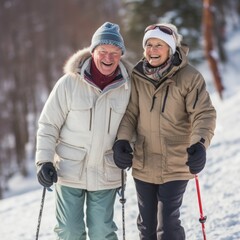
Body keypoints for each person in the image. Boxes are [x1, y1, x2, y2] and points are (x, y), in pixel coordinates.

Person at [112, 23, 216, 240]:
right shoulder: (138, 75)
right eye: (149, 44)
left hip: (176, 162)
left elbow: (203, 114)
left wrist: (199, 144)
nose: (152, 50)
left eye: (159, 45)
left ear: (170, 48)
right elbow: (131, 113)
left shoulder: (189, 77)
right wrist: (122, 140)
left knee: (167, 227)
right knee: (147, 228)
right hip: (144, 162)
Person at [35, 22, 131, 240]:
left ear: (121, 55)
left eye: (114, 53)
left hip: (106, 171)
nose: (108, 58)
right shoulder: (69, 83)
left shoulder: (128, 87)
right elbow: (48, 125)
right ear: (93, 51)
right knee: (69, 231)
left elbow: (133, 125)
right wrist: (44, 161)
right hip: (69, 171)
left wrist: (128, 145)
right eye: (103, 51)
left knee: (102, 232)